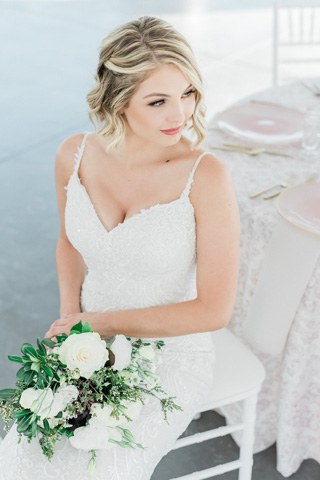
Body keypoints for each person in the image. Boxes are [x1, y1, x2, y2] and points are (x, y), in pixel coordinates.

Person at [0, 16, 239, 480]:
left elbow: (214, 311)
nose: (181, 114)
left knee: (102, 469)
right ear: (119, 101)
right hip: (86, 339)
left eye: (188, 93)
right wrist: (72, 322)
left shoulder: (206, 177)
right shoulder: (73, 154)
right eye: (159, 101)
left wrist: (98, 322)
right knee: (21, 461)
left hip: (170, 353)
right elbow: (69, 241)